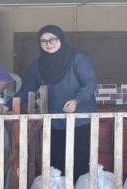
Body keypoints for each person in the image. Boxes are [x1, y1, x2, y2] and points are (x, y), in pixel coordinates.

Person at [14, 25, 97, 180]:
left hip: (80, 120)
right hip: (54, 122)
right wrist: (8, 104)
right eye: (43, 41)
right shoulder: (38, 65)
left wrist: (76, 100)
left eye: (53, 39)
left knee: (80, 161)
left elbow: (90, 83)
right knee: (56, 163)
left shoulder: (77, 59)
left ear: (61, 39)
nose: (48, 43)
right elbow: (28, 88)